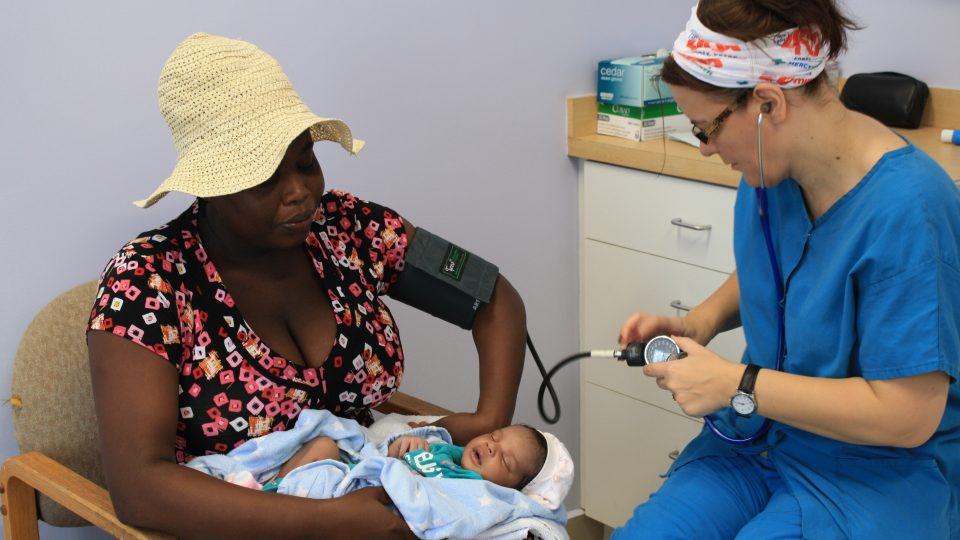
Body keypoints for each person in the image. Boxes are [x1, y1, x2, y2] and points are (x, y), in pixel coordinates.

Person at [86, 33, 526, 539]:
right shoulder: (147, 279)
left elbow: (490, 294)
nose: (299, 192)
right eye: (265, 177)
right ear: (211, 185)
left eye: (305, 162)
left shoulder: (346, 226)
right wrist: (331, 522)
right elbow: (139, 488)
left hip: (380, 491)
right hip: (250, 519)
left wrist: (489, 417)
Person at [614, 1, 959, 538]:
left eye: (706, 129)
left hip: (876, 469)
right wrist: (697, 324)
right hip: (761, 437)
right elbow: (785, 270)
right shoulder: (770, 169)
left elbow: (906, 416)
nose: (704, 149)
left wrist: (735, 381)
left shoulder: (909, 210)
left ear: (768, 104)